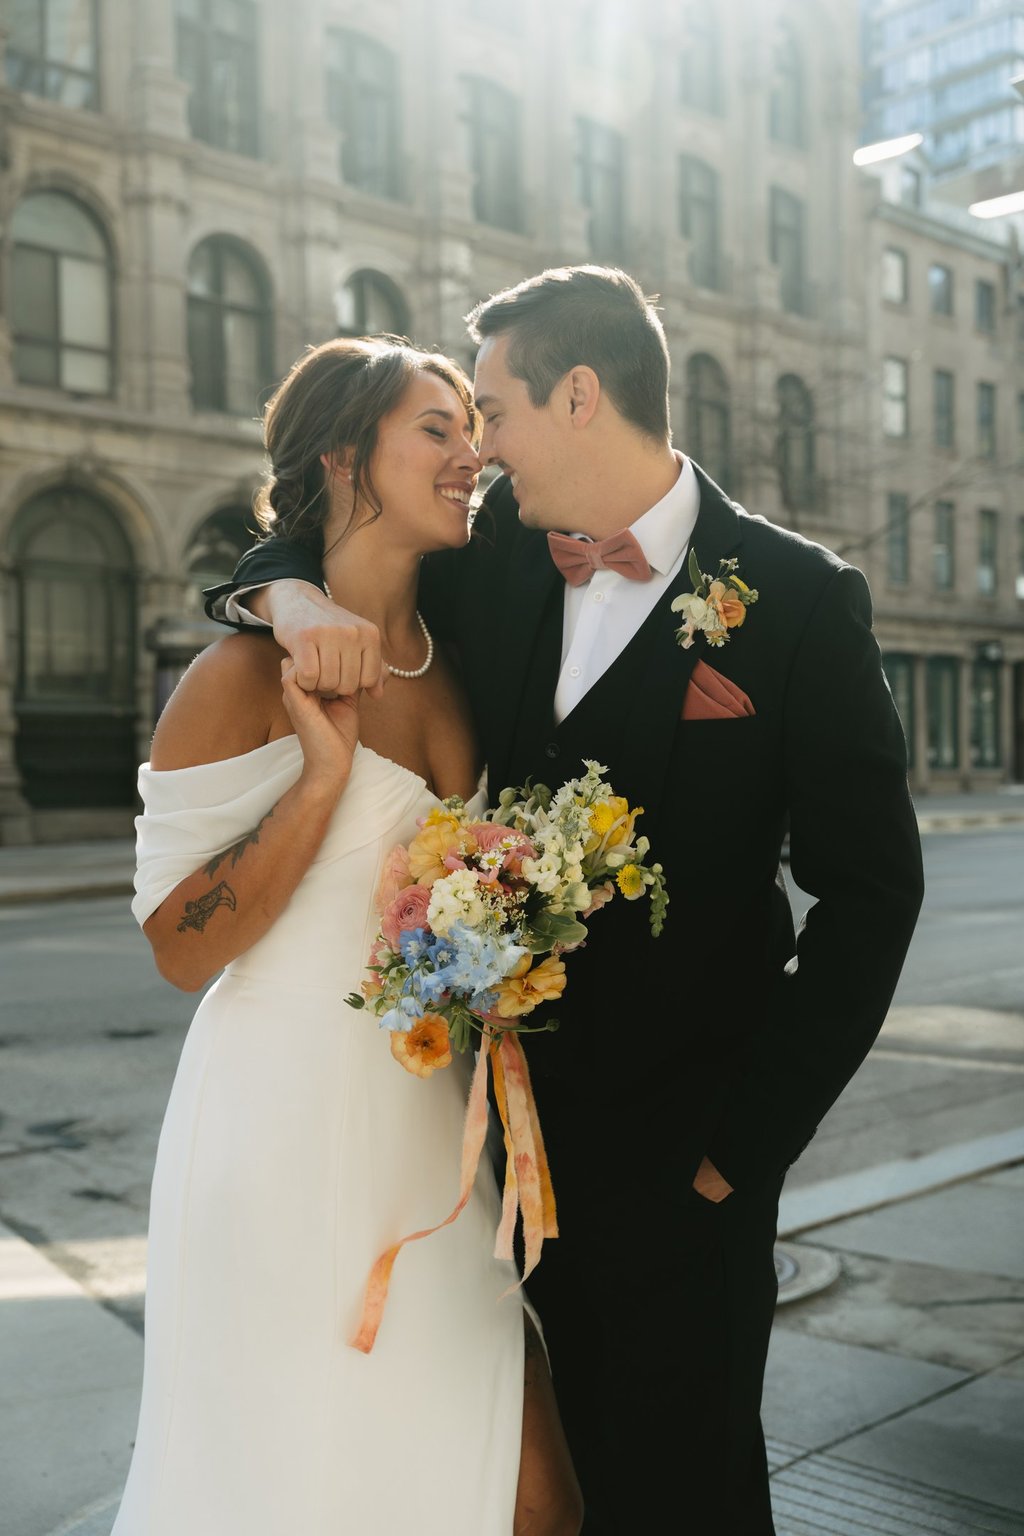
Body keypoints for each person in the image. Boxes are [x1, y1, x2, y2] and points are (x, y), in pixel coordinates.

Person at [208, 267, 925, 1534]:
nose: (476, 447)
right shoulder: (492, 563)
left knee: (686, 1490)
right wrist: (289, 597)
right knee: (529, 1491)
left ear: (580, 395)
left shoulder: (801, 601)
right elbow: (311, 535)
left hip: (684, 1174)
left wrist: (737, 1153)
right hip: (492, 1157)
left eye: (492, 409)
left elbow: (871, 896)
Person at [115, 336, 583, 1536]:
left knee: (534, 1502)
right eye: (436, 428)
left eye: (470, 426)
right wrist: (321, 777)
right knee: (303, 1488)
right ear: (342, 455)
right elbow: (178, 951)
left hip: (434, 1139)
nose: (470, 452)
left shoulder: (464, 663)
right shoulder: (236, 672)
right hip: (281, 1138)